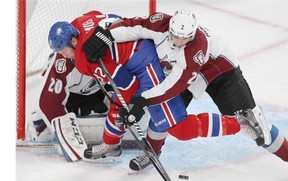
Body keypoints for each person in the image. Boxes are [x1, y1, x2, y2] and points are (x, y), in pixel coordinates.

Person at [83, 9, 288, 170]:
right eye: (176, 36)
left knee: (257, 129)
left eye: (185, 38)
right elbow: (132, 26)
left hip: (221, 74)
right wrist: (105, 35)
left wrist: (143, 99)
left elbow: (173, 86)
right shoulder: (159, 22)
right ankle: (153, 152)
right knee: (162, 115)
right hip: (182, 74)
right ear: (170, 26)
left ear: (192, 34)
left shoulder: (194, 51)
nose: (180, 41)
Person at [30, 51, 113, 162]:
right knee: (42, 132)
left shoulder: (114, 52)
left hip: (96, 93)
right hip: (69, 98)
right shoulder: (63, 62)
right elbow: (48, 102)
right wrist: (71, 144)